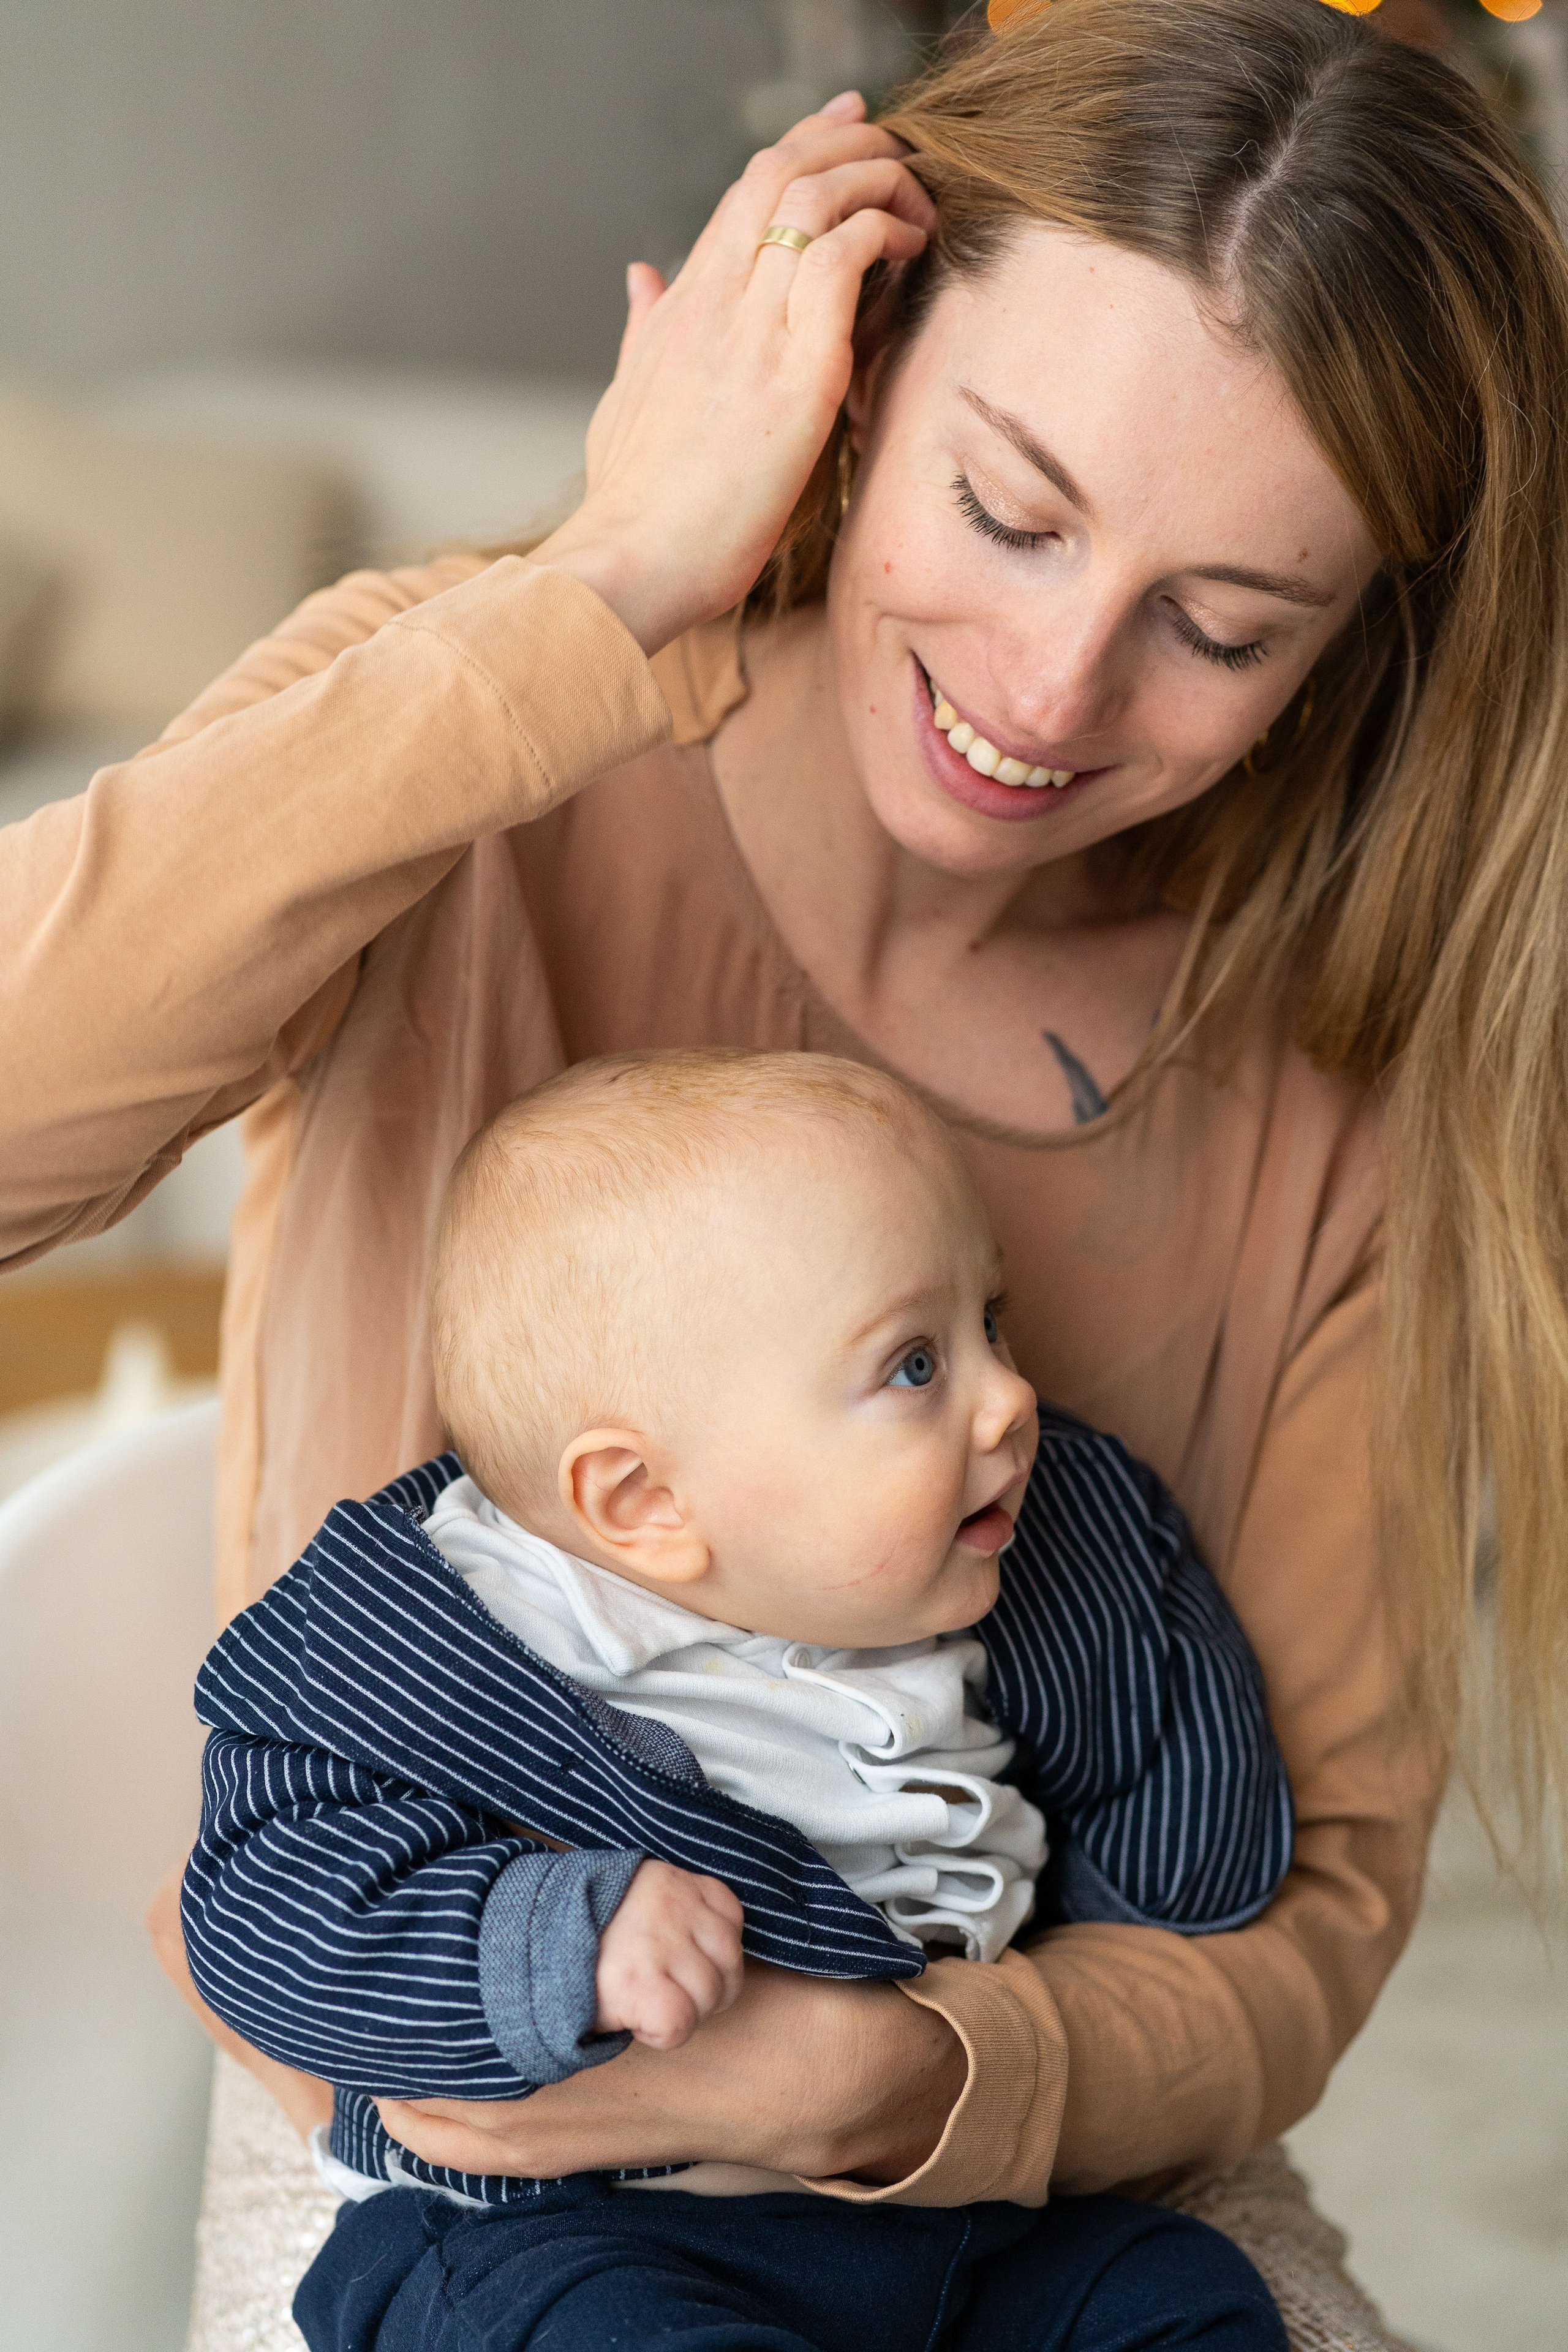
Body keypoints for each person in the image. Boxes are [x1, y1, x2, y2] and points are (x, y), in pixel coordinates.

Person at [4, 0, 1567, 2312]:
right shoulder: (482, 731)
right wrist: (601, 594)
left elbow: (1307, 1905)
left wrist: (893, 2084)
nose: (1048, 693)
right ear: (850, 371)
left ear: (1348, 654)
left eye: (1219, 629)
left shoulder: (1334, 1076)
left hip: (1052, 2137)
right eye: (1008, 512)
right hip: (450, 2136)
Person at [182, 1050, 1291, 2351]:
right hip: (571, 2231)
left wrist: (1128, 1576)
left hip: (941, 2210)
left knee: (1177, 2294)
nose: (1010, 1399)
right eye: (914, 1367)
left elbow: (1191, 1867)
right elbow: (265, 1901)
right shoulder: (425, 1640)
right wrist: (551, 1935)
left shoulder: (1010, 1573)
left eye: (993, 1323)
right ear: (645, 1504)